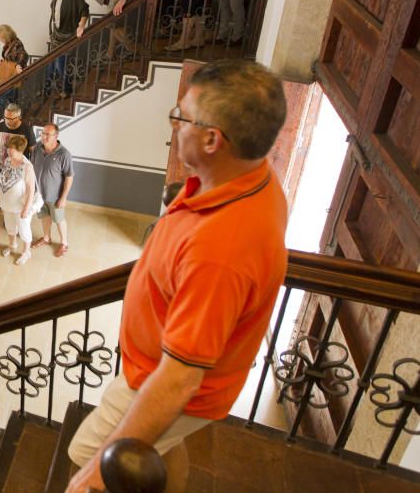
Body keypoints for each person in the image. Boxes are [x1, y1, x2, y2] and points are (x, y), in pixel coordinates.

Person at [65, 60, 288, 493]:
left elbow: (179, 378)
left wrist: (96, 472)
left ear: (212, 139)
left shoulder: (222, 250)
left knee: (87, 459)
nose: (173, 123)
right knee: (163, 443)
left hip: (160, 380)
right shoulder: (248, 175)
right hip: (160, 368)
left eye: (181, 115)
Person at [31, 123, 75, 258]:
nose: (43, 137)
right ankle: (46, 238)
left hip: (55, 197)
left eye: (47, 134)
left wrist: (63, 197)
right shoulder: (37, 147)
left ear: (56, 136)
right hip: (39, 195)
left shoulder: (64, 154)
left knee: (59, 220)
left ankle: (64, 243)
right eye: (42, 133)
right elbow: (32, 167)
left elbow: (69, 177)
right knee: (44, 217)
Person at [48, 0, 90, 97]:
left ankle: (67, 89)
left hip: (66, 35)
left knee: (61, 64)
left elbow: (84, 9)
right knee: (51, 64)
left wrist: (81, 25)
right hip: (57, 35)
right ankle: (48, 88)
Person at [0, 136, 39, 266]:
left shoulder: (27, 167)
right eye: (9, 147)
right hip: (7, 203)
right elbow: (4, 179)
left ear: (20, 150)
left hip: (20, 206)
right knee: (10, 227)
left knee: (24, 230)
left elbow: (31, 189)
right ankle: (12, 245)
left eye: (13, 149)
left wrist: (26, 208)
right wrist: (0, 197)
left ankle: (26, 252)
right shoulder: (7, 161)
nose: (9, 151)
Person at [0, 103, 35, 180]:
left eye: (11, 119)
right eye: (5, 117)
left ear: (19, 117)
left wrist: (31, 172)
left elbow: (33, 152)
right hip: (3, 169)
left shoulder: (27, 130)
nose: (7, 121)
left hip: (20, 171)